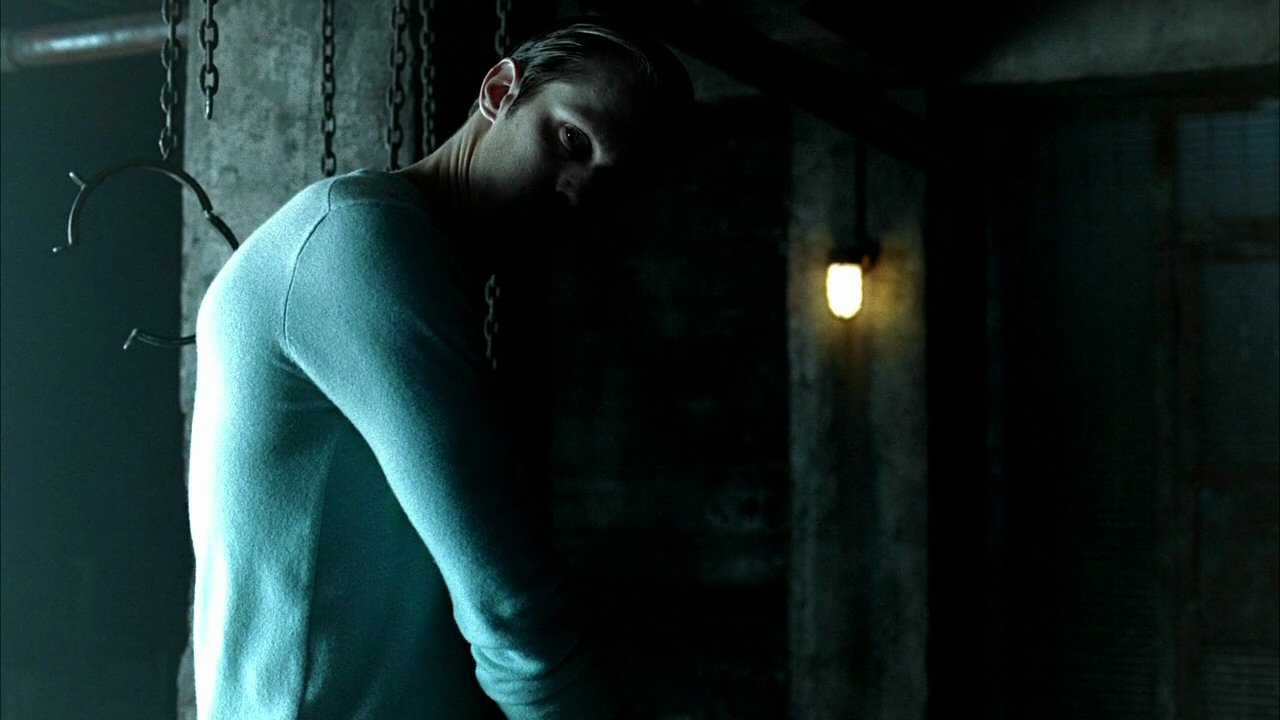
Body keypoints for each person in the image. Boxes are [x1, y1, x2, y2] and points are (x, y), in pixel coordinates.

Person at [186, 17, 693, 720]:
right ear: (500, 91)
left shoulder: (393, 252)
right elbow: (511, 608)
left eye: (611, 186)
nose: (578, 192)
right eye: (572, 140)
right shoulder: (357, 241)